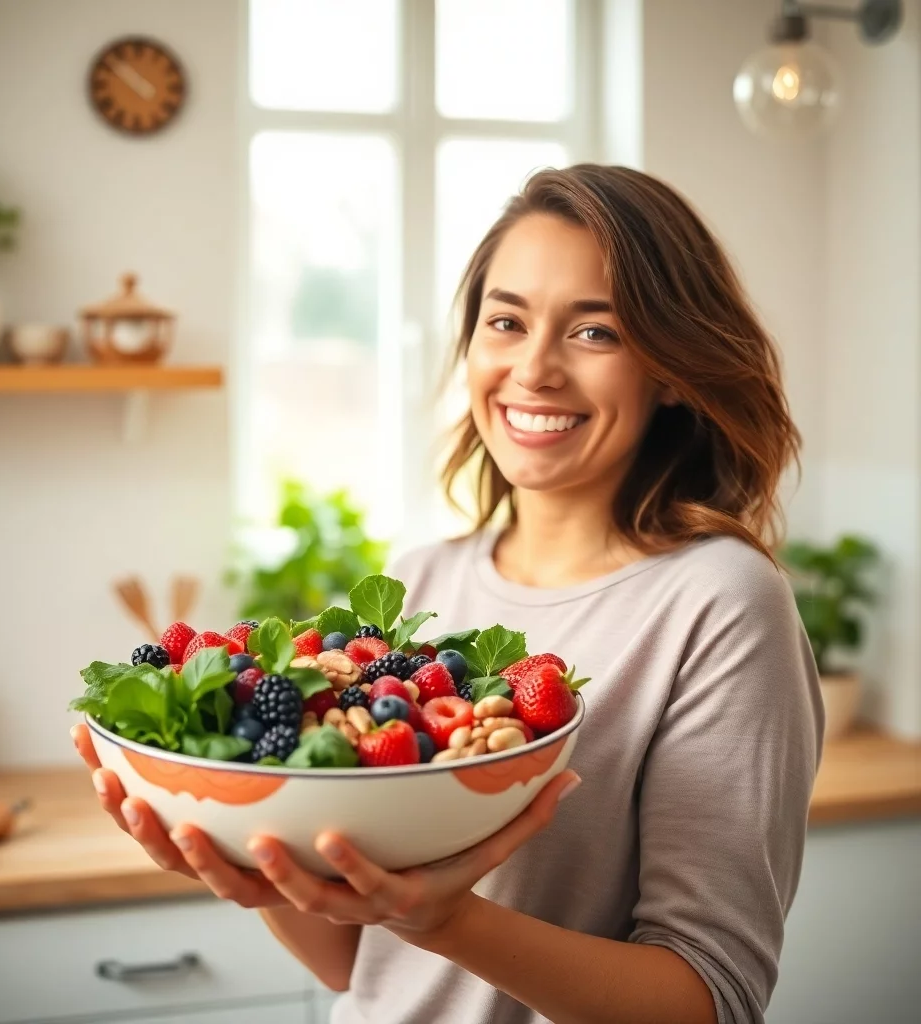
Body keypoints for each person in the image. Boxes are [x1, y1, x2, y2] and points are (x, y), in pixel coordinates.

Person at [72, 164, 823, 1024]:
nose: (533, 369)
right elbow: (352, 963)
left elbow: (709, 999)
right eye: (506, 322)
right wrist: (247, 857)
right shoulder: (421, 582)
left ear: (672, 370)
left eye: (595, 332)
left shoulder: (722, 602)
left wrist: (448, 920)